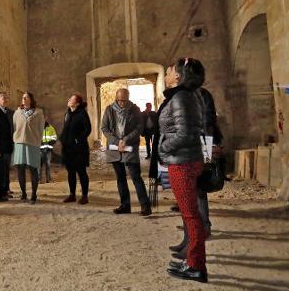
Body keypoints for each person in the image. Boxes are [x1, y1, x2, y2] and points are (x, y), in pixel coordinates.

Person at [159, 57, 208, 283]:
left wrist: (162, 147)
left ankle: (196, 266)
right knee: (190, 214)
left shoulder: (181, 97)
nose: (167, 73)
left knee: (191, 215)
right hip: (186, 159)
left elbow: (185, 133)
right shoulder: (188, 95)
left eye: (169, 70)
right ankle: (191, 259)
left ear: (177, 76)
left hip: (182, 163)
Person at [170, 86, 222, 258]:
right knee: (188, 195)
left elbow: (207, 123)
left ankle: (199, 233)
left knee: (197, 192)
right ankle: (189, 238)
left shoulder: (201, 94)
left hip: (198, 148)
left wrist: (207, 154)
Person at [101, 88, 152, 216]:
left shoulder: (135, 110)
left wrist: (126, 139)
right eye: (119, 100)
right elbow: (104, 128)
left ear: (128, 98)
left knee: (136, 177)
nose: (121, 103)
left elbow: (139, 127)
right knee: (120, 178)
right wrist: (116, 141)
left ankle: (145, 206)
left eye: (124, 100)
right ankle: (125, 205)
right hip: (115, 148)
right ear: (116, 98)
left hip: (130, 147)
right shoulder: (109, 109)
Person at [11, 92, 45, 204]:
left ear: (31, 99)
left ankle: (34, 195)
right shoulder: (17, 113)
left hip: (33, 144)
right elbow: (15, 126)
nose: (24, 99)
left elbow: (41, 128)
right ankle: (24, 193)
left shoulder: (39, 112)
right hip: (19, 143)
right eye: (22, 98)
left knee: (33, 169)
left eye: (26, 97)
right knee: (20, 169)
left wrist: (37, 140)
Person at [59, 93, 92, 204]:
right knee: (71, 172)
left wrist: (78, 139)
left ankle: (84, 196)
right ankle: (72, 195)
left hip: (79, 149)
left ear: (77, 103)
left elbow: (88, 129)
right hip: (68, 149)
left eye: (71, 99)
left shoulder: (82, 113)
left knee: (81, 172)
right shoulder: (67, 114)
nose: (68, 100)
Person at [39, 116, 57, 183]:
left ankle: (48, 179)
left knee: (48, 165)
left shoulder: (50, 128)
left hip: (48, 150)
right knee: (39, 165)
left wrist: (50, 143)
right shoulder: (37, 128)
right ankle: (39, 179)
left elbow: (54, 137)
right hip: (39, 150)